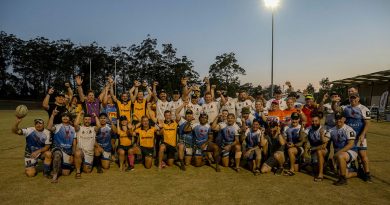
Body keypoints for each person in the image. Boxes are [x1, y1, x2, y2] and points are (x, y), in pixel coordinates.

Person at [342, 93, 372, 182]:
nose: (352, 100)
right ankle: (353, 170)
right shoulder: (346, 108)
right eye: (351, 98)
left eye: (354, 98)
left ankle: (367, 174)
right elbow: (336, 110)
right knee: (350, 153)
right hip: (349, 137)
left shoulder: (364, 109)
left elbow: (367, 123)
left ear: (358, 98)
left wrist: (362, 135)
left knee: (362, 155)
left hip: (359, 136)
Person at [327, 112, 358, 186]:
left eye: (340, 118)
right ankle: (357, 172)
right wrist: (322, 133)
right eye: (337, 118)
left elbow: (350, 145)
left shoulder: (349, 129)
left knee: (340, 156)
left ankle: (343, 180)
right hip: (340, 154)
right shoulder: (332, 130)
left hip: (351, 151)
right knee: (344, 173)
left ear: (344, 119)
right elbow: (325, 140)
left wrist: (336, 154)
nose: (338, 120)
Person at [47, 110, 76, 183]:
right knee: (57, 155)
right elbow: (49, 128)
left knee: (66, 173)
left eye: (67, 116)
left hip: (68, 151)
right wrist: (52, 115)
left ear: (69, 118)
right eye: (63, 116)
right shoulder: (57, 126)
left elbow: (74, 143)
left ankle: (58, 166)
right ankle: (55, 176)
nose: (65, 117)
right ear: (61, 118)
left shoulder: (73, 128)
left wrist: (72, 154)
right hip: (58, 148)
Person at [73, 111, 101, 178]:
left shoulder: (93, 128)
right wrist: (79, 114)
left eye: (89, 119)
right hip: (81, 152)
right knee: (78, 153)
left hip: (89, 153)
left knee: (87, 171)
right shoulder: (79, 128)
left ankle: (80, 163)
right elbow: (75, 124)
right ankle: (78, 171)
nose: (87, 121)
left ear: (91, 120)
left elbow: (99, 126)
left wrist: (95, 116)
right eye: (85, 119)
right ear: (83, 120)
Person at [305, 113, 328, 182]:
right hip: (313, 151)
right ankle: (316, 165)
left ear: (319, 121)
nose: (314, 123)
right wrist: (301, 129)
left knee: (319, 152)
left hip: (323, 150)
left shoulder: (324, 129)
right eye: (312, 121)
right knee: (313, 169)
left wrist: (312, 148)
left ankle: (321, 174)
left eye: (316, 121)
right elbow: (302, 137)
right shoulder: (309, 128)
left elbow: (324, 145)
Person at [283, 112, 306, 176]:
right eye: (293, 118)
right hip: (289, 146)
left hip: (299, 148)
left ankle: (291, 169)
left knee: (291, 150)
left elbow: (302, 141)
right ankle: (292, 163)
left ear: (299, 119)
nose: (294, 120)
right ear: (291, 119)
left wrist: (301, 128)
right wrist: (286, 143)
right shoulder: (286, 127)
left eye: (296, 119)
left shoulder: (301, 128)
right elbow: (284, 138)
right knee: (289, 150)